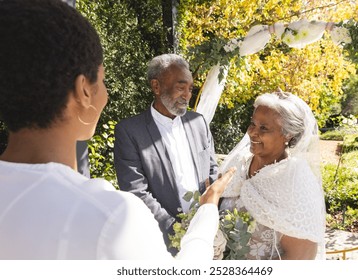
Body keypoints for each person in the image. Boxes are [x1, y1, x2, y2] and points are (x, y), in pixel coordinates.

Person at [0, 0, 235, 260]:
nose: (107, 95)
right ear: (84, 90)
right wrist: (207, 213)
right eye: (102, 80)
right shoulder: (111, 218)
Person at [114, 54, 219, 253]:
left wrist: (206, 221)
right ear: (156, 86)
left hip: (205, 235)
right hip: (159, 243)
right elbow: (136, 191)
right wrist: (176, 232)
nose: (187, 95)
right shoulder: (129, 131)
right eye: (181, 87)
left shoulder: (199, 122)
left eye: (190, 89)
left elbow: (212, 170)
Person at [219, 91, 326, 260]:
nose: (252, 132)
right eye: (252, 124)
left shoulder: (296, 181)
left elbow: (302, 257)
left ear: (288, 134)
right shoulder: (239, 163)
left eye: (264, 128)